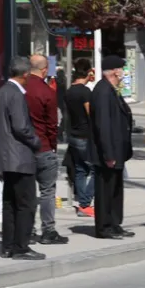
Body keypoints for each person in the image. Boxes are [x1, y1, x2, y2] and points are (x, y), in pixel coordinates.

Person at [0, 57, 45, 260]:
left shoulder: (1, 92)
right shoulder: (16, 94)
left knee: (10, 202)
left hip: (6, 157)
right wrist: (36, 141)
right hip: (19, 157)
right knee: (26, 204)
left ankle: (8, 245)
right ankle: (21, 246)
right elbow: (21, 127)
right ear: (25, 75)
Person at [88, 55, 134, 240]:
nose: (123, 72)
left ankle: (115, 223)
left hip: (117, 149)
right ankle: (104, 226)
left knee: (115, 189)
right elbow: (103, 125)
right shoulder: (103, 91)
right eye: (122, 69)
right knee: (105, 190)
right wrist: (108, 153)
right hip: (108, 152)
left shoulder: (112, 89)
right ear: (114, 71)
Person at [24, 54, 67, 245]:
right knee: (47, 191)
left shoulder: (20, 89)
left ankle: (28, 229)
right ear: (44, 70)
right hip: (43, 147)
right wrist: (52, 146)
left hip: (23, 149)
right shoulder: (47, 92)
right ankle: (48, 230)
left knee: (27, 191)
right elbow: (51, 124)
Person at [64, 58, 95, 217]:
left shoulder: (69, 91)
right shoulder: (85, 92)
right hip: (85, 135)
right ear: (89, 72)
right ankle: (85, 202)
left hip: (73, 135)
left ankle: (83, 204)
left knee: (80, 170)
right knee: (97, 169)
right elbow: (91, 113)